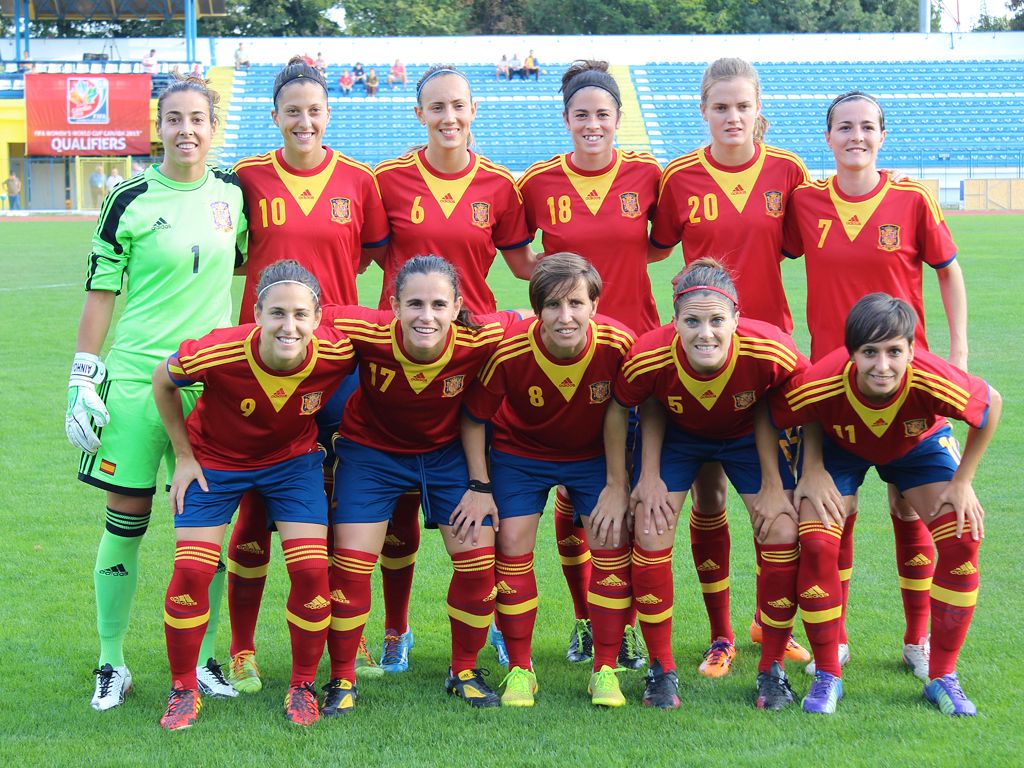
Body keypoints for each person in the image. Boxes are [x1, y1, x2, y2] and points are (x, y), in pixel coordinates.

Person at [64, 74, 247, 713]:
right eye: (174, 119)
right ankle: (111, 662)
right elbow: (100, 292)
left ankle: (203, 659)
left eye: (198, 118)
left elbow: (249, 266)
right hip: (139, 381)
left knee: (206, 528)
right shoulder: (128, 197)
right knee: (126, 521)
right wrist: (84, 374)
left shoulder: (234, 194)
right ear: (158, 125)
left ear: (212, 125)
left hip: (212, 383)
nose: (187, 130)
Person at [783, 90, 969, 682]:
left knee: (910, 508)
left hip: (903, 383)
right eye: (844, 127)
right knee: (835, 513)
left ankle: (917, 639)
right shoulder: (806, 201)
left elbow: (949, 271)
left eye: (867, 127)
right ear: (828, 137)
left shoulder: (911, 197)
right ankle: (833, 642)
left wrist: (958, 356)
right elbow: (768, 249)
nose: (855, 136)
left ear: (882, 136)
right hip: (832, 393)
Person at [226, 56, 390, 694]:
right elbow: (230, 254)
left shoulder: (358, 180)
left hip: (335, 364)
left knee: (342, 506)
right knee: (255, 504)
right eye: (291, 111)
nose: (303, 120)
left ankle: (343, 640)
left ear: (328, 114)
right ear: (275, 116)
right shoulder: (247, 178)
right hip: (259, 363)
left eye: (313, 110)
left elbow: (372, 254)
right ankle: (242, 649)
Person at [366, 64, 534, 675]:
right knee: (399, 503)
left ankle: (488, 622)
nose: (449, 117)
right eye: (436, 107)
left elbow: (522, 267)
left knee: (482, 485)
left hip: (476, 358)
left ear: (474, 110)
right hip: (405, 356)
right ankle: (395, 630)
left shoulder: (499, 185)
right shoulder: (388, 181)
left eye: (458, 106)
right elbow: (365, 256)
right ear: (419, 114)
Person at [648, 57, 812, 675]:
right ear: (704, 111)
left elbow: (798, 242)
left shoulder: (788, 171)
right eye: (721, 106)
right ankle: (720, 634)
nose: (732, 116)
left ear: (758, 110)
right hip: (700, 355)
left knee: (776, 501)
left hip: (771, 361)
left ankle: (776, 626)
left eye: (743, 106)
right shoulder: (680, 176)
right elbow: (657, 246)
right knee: (709, 496)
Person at [152, 260, 357, 729]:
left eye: (301, 315)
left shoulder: (337, 353)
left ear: (317, 317)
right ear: (258, 314)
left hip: (291, 464)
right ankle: (183, 689)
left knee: (309, 569)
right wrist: (183, 456)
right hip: (216, 464)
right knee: (190, 571)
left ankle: (302, 684)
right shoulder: (217, 352)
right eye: (278, 313)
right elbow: (161, 379)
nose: (290, 326)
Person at [773, 293, 1000, 716]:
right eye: (869, 352)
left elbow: (991, 405)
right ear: (851, 354)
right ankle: (827, 673)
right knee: (819, 540)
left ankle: (940, 674)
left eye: (895, 351)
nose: (882, 365)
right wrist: (813, 467)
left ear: (912, 350)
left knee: (963, 536)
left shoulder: (931, 376)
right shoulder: (823, 378)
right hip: (842, 447)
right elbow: (790, 411)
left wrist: (964, 481)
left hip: (918, 446)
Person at [516, 59, 663, 670]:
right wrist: (562, 305)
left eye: (603, 114)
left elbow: (659, 243)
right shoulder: (539, 183)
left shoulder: (649, 175)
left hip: (635, 356)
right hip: (567, 356)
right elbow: (525, 261)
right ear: (566, 119)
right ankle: (586, 620)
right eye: (582, 115)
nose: (593, 124)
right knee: (575, 503)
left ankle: (621, 625)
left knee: (623, 496)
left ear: (618, 118)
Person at [320, 255, 516, 712]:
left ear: (457, 306)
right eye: (413, 304)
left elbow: (530, 322)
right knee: (350, 566)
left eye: (437, 305)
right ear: (393, 305)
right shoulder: (367, 329)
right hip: (371, 454)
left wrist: (479, 482)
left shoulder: (480, 335)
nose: (426, 316)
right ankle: (343, 679)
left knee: (477, 563)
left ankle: (463, 669)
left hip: (446, 457)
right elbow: (309, 310)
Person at [618, 258, 807, 710]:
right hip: (679, 438)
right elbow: (640, 402)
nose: (706, 332)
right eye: (693, 321)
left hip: (744, 436)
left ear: (737, 319)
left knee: (781, 527)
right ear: (675, 321)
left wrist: (784, 481)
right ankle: (661, 669)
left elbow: (802, 403)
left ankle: (772, 668)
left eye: (717, 320)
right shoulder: (648, 353)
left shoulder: (771, 349)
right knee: (649, 527)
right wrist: (644, 477)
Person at [461, 253, 636, 708]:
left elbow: (623, 413)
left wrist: (618, 485)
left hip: (591, 456)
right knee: (513, 541)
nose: (565, 316)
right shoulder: (510, 349)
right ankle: (521, 669)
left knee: (610, 538)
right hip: (522, 455)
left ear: (594, 306)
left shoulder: (618, 344)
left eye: (576, 303)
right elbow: (475, 418)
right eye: (553, 305)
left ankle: (605, 668)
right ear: (536, 308)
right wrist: (481, 486)